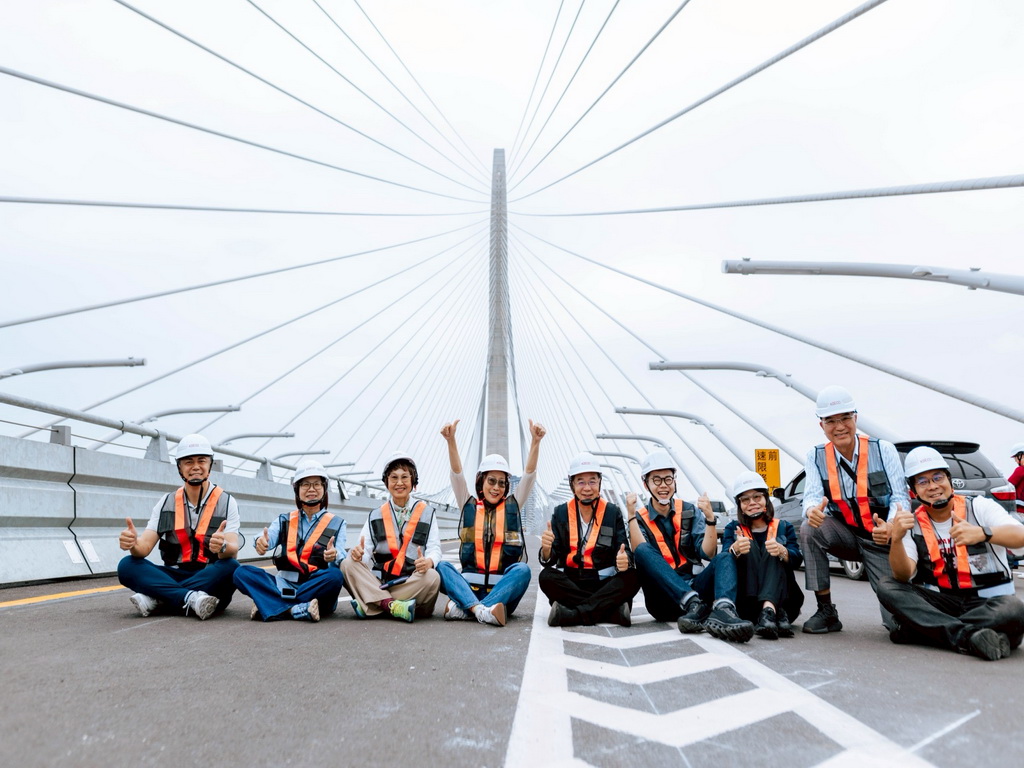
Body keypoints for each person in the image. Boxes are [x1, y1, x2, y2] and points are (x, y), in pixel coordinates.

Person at [876, 446, 1024, 660]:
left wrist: (983, 533)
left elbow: (1020, 535)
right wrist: (897, 539)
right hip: (943, 602)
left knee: (1013, 609)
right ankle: (970, 636)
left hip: (987, 603)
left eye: (938, 477)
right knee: (887, 585)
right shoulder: (910, 521)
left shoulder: (979, 507)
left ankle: (927, 629)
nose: (933, 486)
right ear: (914, 491)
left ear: (949, 480)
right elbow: (903, 575)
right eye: (923, 481)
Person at [800, 385, 910, 634]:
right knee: (810, 528)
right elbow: (812, 497)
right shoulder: (815, 456)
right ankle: (826, 610)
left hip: (881, 539)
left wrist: (891, 525)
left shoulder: (883, 450)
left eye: (845, 418)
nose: (839, 427)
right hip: (846, 537)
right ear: (822, 425)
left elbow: (900, 497)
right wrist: (812, 511)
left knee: (899, 625)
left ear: (856, 418)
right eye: (831, 421)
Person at [625, 451, 754, 642]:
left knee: (725, 556)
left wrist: (710, 519)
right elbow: (638, 550)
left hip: (698, 594)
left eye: (668, 479)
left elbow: (707, 553)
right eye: (657, 480)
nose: (663, 486)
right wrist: (630, 515)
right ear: (646, 484)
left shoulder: (689, 511)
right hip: (663, 599)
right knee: (643, 550)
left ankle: (724, 611)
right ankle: (692, 602)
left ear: (675, 481)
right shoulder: (640, 518)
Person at [116, 433, 240, 620]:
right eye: (188, 462)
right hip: (174, 573)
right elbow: (144, 548)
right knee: (127, 565)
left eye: (202, 461)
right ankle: (190, 599)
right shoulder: (166, 502)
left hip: (208, 576)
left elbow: (232, 549)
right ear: (180, 467)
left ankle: (160, 598)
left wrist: (222, 546)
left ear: (210, 465)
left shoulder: (226, 502)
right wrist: (133, 543)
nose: (196, 467)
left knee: (231, 567)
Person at [436, 418, 544, 626]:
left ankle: (467, 610)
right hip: (470, 587)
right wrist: (451, 441)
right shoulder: (467, 505)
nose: (496, 487)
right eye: (491, 481)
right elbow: (457, 475)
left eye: (502, 483)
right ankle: (481, 611)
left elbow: (529, 476)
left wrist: (535, 442)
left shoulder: (513, 506)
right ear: (481, 482)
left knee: (523, 570)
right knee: (441, 566)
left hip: (502, 598)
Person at [233, 461, 346, 622]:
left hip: (315, 585)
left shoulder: (337, 523)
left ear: (324, 489)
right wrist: (260, 541)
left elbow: (341, 553)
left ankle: (269, 604)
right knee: (240, 573)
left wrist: (334, 555)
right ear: (297, 490)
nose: (311, 489)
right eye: (306, 484)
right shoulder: (284, 520)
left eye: (316, 484)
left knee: (334, 576)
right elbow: (268, 536)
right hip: (283, 584)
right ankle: (295, 609)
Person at [540, 453, 640, 627]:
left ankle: (571, 615)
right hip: (572, 583)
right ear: (572, 485)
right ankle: (609, 611)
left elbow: (625, 550)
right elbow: (551, 559)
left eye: (592, 481)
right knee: (546, 576)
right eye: (581, 482)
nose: (587, 488)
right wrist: (546, 549)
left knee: (634, 576)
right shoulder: (561, 513)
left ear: (600, 483)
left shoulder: (612, 512)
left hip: (604, 583)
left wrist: (625, 560)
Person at [340, 451, 441, 622]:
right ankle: (394, 606)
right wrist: (358, 555)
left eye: (404, 477)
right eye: (394, 478)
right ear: (386, 482)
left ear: (413, 481)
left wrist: (429, 561)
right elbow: (364, 554)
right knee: (347, 563)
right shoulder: (375, 515)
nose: (399, 483)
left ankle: (373, 604)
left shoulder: (427, 513)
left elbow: (435, 549)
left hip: (412, 581)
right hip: (382, 581)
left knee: (433, 577)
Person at [722, 471, 804, 639]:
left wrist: (783, 551)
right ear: (740, 505)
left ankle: (768, 610)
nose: (752, 503)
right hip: (747, 604)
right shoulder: (733, 529)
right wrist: (735, 549)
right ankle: (771, 612)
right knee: (749, 545)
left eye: (757, 497)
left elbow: (796, 559)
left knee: (773, 548)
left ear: (766, 499)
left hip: (788, 602)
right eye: (745, 500)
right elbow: (723, 562)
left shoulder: (783, 527)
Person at [1009, 442, 1024, 518]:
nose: (1015, 461)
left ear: (1021, 455)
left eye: (1015, 457)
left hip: (1020, 511)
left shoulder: (1020, 470)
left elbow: (1008, 485)